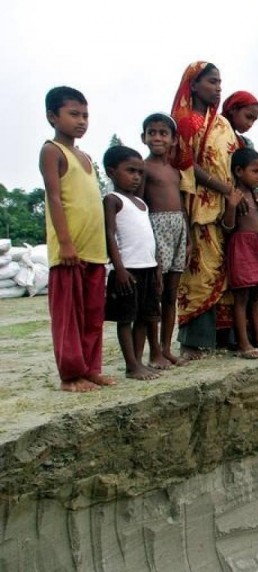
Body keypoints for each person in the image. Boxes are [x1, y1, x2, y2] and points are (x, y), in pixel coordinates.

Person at [39, 86, 115, 392]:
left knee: (93, 315)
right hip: (70, 249)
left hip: (94, 250)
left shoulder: (84, 155)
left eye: (85, 115)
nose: (81, 121)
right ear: (52, 116)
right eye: (73, 114)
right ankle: (70, 375)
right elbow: (55, 199)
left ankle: (90, 368)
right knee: (69, 315)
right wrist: (65, 242)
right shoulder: (52, 151)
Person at [171, 61, 243, 359]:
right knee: (202, 271)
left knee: (226, 271)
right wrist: (222, 187)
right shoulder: (185, 123)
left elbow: (237, 161)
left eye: (220, 82)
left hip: (229, 206)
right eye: (212, 81)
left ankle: (224, 336)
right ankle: (193, 340)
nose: (218, 87)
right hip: (199, 205)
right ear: (194, 84)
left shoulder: (224, 124)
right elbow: (187, 164)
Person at [102, 145, 163, 380]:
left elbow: (148, 237)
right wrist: (119, 269)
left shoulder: (141, 203)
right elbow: (109, 234)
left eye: (140, 172)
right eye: (130, 171)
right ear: (111, 172)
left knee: (144, 317)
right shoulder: (112, 200)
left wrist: (156, 266)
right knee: (126, 319)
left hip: (147, 267)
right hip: (127, 270)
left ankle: (137, 361)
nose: (136, 177)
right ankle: (131, 364)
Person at [140, 113, 188, 368]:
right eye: (152, 132)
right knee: (155, 293)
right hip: (155, 230)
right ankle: (154, 351)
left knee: (171, 294)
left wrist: (188, 238)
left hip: (178, 229)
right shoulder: (143, 168)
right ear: (144, 137)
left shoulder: (175, 171)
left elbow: (183, 206)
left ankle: (167, 347)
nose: (157, 137)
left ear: (173, 139)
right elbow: (139, 204)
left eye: (163, 133)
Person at [226, 148, 258, 358]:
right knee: (241, 298)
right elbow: (227, 226)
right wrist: (231, 206)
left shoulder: (257, 195)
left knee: (255, 296)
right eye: (255, 172)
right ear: (239, 171)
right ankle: (244, 344)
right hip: (243, 246)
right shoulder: (235, 195)